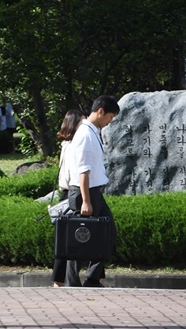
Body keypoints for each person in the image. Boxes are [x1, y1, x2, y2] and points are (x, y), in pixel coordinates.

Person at [65, 95, 119, 287]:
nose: (110, 122)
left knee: (106, 232)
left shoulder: (93, 131)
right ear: (100, 111)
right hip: (84, 192)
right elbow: (83, 171)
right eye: (110, 117)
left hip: (93, 191)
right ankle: (73, 280)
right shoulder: (86, 134)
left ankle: (93, 278)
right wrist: (86, 201)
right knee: (80, 238)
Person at [51, 109, 86, 287]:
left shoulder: (65, 145)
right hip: (72, 194)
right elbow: (76, 174)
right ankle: (65, 281)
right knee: (72, 240)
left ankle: (58, 281)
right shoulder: (74, 146)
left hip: (64, 195)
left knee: (63, 241)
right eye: (82, 122)